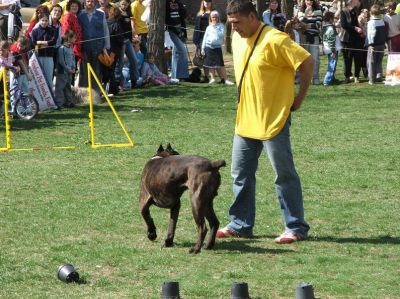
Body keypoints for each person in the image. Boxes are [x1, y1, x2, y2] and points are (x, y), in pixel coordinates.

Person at [216, 0, 313, 244]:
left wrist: (298, 98)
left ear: (252, 17)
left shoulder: (275, 39)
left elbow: (307, 62)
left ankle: (295, 227)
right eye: (231, 23)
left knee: (283, 174)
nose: (234, 28)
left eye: (237, 22)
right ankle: (240, 224)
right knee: (240, 174)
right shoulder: (238, 38)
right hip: (246, 119)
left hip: (274, 119)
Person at [78, 0, 110, 89]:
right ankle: (83, 94)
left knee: (97, 70)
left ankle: (96, 93)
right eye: (88, 1)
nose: (90, 3)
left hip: (98, 47)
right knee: (84, 71)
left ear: (95, 3)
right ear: (85, 2)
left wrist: (106, 46)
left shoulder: (101, 14)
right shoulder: (80, 14)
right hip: (84, 47)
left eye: (92, 1)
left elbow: (105, 30)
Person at [201, 10, 234, 85]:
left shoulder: (221, 26)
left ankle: (225, 79)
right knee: (210, 64)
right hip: (208, 47)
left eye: (216, 17)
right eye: (213, 17)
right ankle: (212, 78)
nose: (214, 19)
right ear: (211, 18)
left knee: (220, 64)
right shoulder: (208, 27)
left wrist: (215, 28)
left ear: (218, 18)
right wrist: (203, 48)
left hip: (217, 47)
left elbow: (221, 35)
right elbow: (205, 38)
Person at [298, 0, 322, 85]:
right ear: (304, 1)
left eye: (311, 0)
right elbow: (301, 23)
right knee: (304, 59)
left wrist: (306, 25)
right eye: (307, 0)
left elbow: (318, 24)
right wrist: (306, 13)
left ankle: (315, 78)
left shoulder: (318, 10)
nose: (309, 2)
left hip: (314, 37)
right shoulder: (301, 11)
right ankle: (304, 78)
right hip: (304, 37)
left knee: (315, 59)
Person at [339, 0, 364, 84]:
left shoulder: (356, 10)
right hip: (347, 39)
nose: (359, 2)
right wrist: (355, 28)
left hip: (357, 39)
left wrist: (360, 26)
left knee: (358, 58)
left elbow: (356, 23)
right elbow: (344, 25)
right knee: (347, 59)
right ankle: (347, 76)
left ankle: (356, 76)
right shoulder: (344, 11)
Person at [30, 12, 57, 89]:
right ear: (39, 21)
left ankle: (50, 98)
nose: (44, 22)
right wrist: (45, 43)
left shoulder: (52, 30)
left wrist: (40, 42)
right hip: (38, 57)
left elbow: (53, 41)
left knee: (49, 77)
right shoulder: (35, 31)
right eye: (42, 20)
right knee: (38, 77)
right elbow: (33, 42)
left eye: (46, 20)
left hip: (49, 57)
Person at [165, 0, 189, 80]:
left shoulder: (179, 3)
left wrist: (183, 32)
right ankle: (182, 75)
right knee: (183, 51)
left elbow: (183, 17)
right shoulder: (166, 3)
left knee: (175, 54)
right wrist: (175, 30)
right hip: (172, 31)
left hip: (180, 30)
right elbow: (166, 19)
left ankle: (174, 76)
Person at [119, 0, 140, 89]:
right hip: (120, 41)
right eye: (122, 4)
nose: (124, 6)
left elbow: (131, 26)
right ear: (120, 3)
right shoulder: (117, 13)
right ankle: (120, 83)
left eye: (126, 4)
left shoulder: (129, 13)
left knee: (134, 60)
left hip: (128, 40)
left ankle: (134, 82)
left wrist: (134, 35)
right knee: (121, 63)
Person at [10, 36, 32, 114]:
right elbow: (21, 63)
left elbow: (25, 61)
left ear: (26, 46)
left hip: (23, 73)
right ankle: (14, 110)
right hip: (16, 73)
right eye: (19, 45)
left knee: (25, 91)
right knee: (15, 92)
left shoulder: (26, 49)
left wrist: (27, 72)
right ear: (17, 42)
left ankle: (27, 109)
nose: (20, 47)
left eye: (22, 46)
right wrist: (28, 74)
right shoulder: (14, 49)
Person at [193, 0, 214, 83]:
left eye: (208, 2)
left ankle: (212, 77)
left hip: (209, 38)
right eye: (205, 2)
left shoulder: (213, 13)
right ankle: (206, 77)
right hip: (200, 38)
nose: (207, 3)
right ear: (203, 2)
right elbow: (196, 27)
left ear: (211, 3)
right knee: (203, 57)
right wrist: (196, 39)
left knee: (209, 58)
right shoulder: (200, 13)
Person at [55, 30, 76, 108]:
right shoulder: (62, 48)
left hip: (70, 71)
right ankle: (59, 103)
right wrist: (68, 69)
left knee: (68, 87)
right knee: (60, 87)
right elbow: (61, 61)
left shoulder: (70, 48)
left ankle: (68, 102)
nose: (75, 40)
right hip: (62, 71)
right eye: (74, 38)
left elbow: (73, 58)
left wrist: (73, 67)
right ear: (69, 38)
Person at [366, 4, 386, 84]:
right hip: (381, 44)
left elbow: (370, 34)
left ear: (371, 12)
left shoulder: (371, 22)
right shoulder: (382, 21)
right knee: (379, 61)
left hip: (374, 45)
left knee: (371, 62)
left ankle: (371, 80)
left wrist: (370, 44)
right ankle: (379, 76)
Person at [322, 11, 339, 85]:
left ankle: (332, 78)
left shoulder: (325, 27)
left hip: (329, 48)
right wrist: (333, 51)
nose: (334, 20)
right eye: (333, 18)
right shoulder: (330, 29)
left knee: (332, 63)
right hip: (332, 49)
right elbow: (331, 41)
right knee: (332, 64)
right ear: (330, 19)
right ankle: (327, 81)